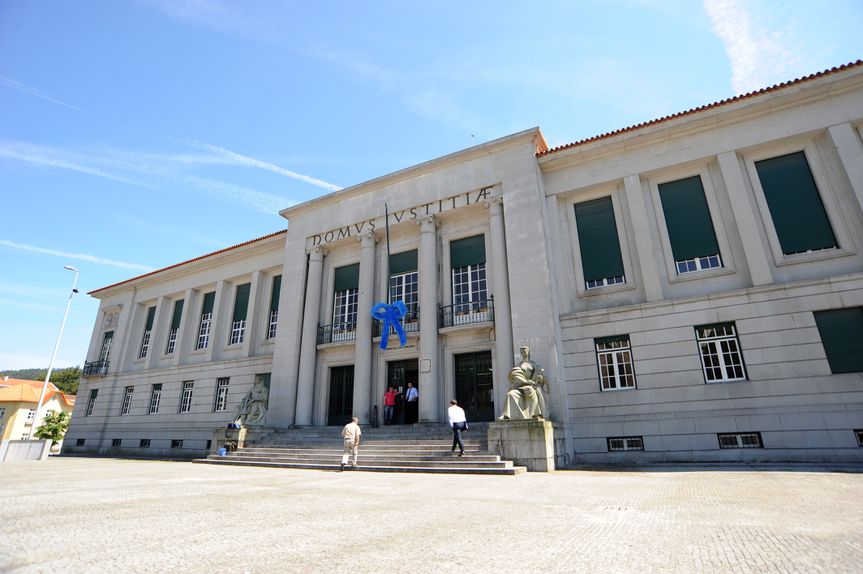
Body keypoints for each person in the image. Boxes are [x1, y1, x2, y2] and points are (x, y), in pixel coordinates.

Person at [498, 346, 549, 420]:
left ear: (528, 352)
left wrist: (540, 378)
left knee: (530, 390)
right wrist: (522, 380)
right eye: (521, 352)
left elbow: (539, 373)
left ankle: (535, 414)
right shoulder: (519, 365)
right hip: (520, 385)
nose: (523, 353)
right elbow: (515, 375)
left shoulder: (533, 364)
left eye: (524, 352)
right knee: (510, 394)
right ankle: (506, 415)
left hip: (531, 386)